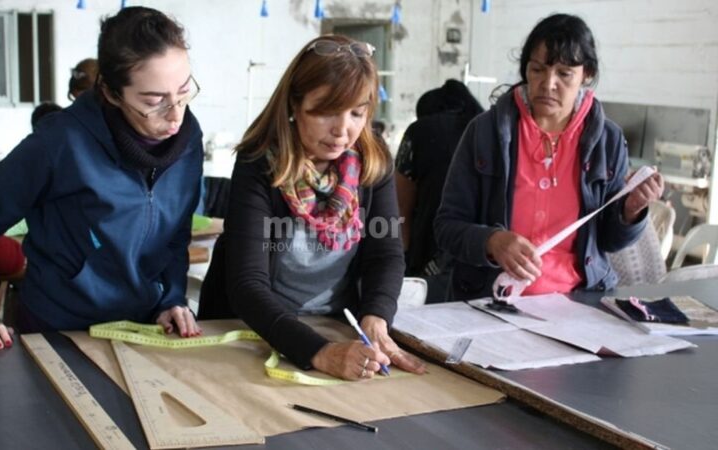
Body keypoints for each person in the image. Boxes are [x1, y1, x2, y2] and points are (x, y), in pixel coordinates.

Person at [0, 6, 204, 350]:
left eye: (184, 91)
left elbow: (175, 235)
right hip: (59, 330)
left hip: (144, 329)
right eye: (154, 101)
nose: (175, 115)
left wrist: (172, 298)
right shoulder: (60, 142)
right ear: (112, 93)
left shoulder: (188, 141)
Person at [197, 35, 425, 381]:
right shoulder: (259, 162)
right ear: (294, 103)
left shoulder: (372, 159)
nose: (342, 130)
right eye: (327, 111)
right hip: (256, 327)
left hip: (336, 324)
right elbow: (248, 284)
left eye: (357, 113)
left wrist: (376, 317)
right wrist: (318, 352)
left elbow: (386, 254)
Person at [435, 14, 664, 302]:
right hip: (492, 300)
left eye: (564, 73)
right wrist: (491, 242)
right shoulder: (485, 132)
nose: (548, 83)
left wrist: (631, 211)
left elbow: (610, 241)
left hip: (577, 303)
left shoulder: (608, 140)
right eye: (537, 69)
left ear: (587, 74)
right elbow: (446, 227)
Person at [394, 79, 483, 302]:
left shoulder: (419, 131)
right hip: (480, 256)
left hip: (429, 252)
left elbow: (400, 206)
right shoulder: (486, 129)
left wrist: (398, 260)